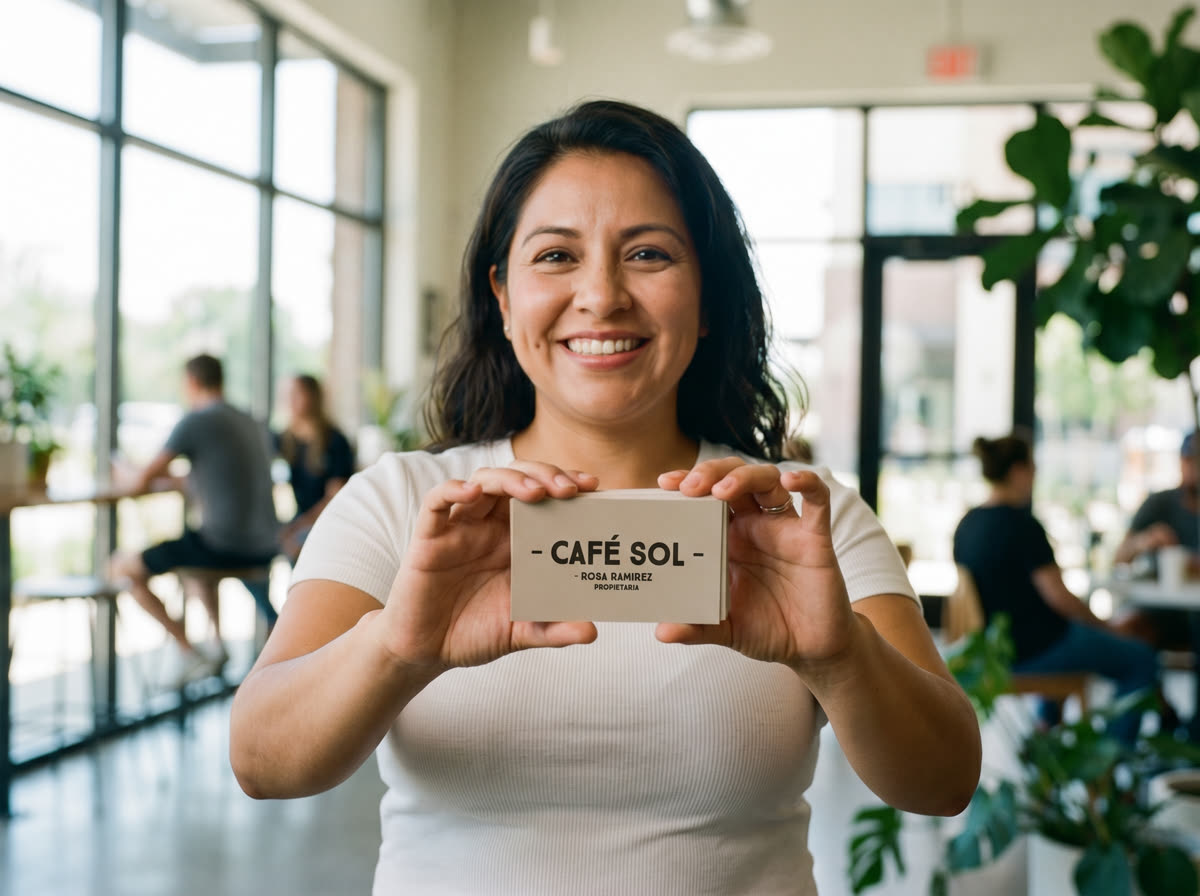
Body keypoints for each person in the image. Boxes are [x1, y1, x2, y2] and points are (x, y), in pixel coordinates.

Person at [229, 100, 980, 895]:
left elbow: (944, 780)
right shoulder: (404, 505)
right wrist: (397, 648)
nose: (602, 295)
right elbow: (262, 760)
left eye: (649, 254)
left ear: (708, 297)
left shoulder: (793, 517)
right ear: (503, 295)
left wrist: (837, 657)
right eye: (556, 255)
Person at [953, 432, 1160, 741]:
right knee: (1141, 659)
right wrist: (1105, 627)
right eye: (1033, 469)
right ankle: (1111, 764)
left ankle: (1047, 739)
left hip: (992, 652)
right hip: (1035, 650)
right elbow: (1059, 599)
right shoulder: (1022, 525)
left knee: (1075, 640)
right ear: (1018, 472)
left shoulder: (967, 525)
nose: (1035, 477)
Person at [111, 354, 280, 685]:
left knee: (122, 566)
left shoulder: (196, 420)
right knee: (195, 556)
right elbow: (215, 476)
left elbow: (141, 481)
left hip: (225, 545)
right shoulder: (248, 420)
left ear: (190, 382)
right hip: (266, 545)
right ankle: (216, 645)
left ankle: (190, 651)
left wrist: (123, 469)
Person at [1111, 430, 1200, 650]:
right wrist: (1143, 541)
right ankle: (1149, 684)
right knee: (1125, 626)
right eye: (1190, 460)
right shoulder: (1159, 503)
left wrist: (1186, 561)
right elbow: (1119, 558)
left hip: (1194, 612)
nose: (1194, 469)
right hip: (1160, 609)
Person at [275, 374, 355, 563]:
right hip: (299, 518)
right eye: (287, 395)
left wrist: (297, 526)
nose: (290, 401)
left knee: (297, 544)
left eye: (296, 394)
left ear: (313, 397)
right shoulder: (284, 440)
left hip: (328, 520)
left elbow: (334, 496)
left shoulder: (335, 441)